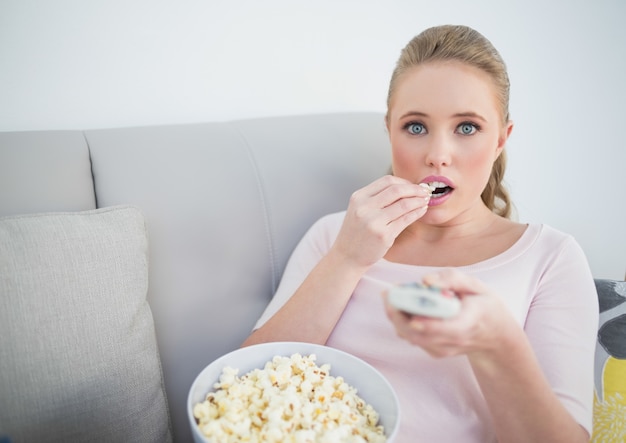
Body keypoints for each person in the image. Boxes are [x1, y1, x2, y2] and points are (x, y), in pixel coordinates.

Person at [242, 24, 598, 443]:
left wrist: (496, 344)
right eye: (415, 127)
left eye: (467, 127)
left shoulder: (551, 258)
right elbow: (244, 392)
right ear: (390, 130)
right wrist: (347, 259)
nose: (437, 155)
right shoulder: (335, 235)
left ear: (502, 138)